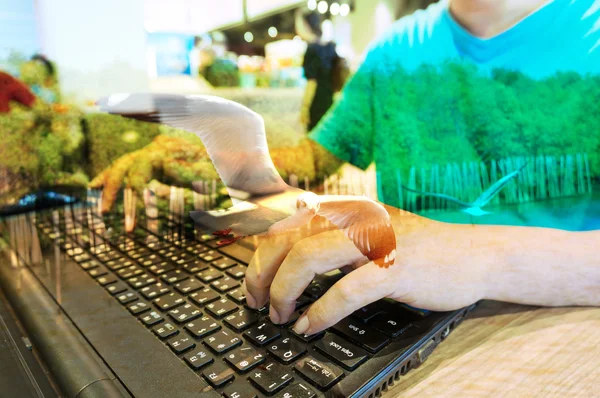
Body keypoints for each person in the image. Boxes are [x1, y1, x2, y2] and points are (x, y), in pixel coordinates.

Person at [93, 0, 600, 337]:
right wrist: (193, 159)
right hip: (400, 327)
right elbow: (313, 161)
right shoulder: (397, 48)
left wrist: (473, 254)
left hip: (558, 328)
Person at [296, 10, 338, 130]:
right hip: (329, 101)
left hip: (316, 103)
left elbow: (312, 82)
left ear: (306, 25)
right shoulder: (330, 46)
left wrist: (305, 107)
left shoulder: (312, 49)